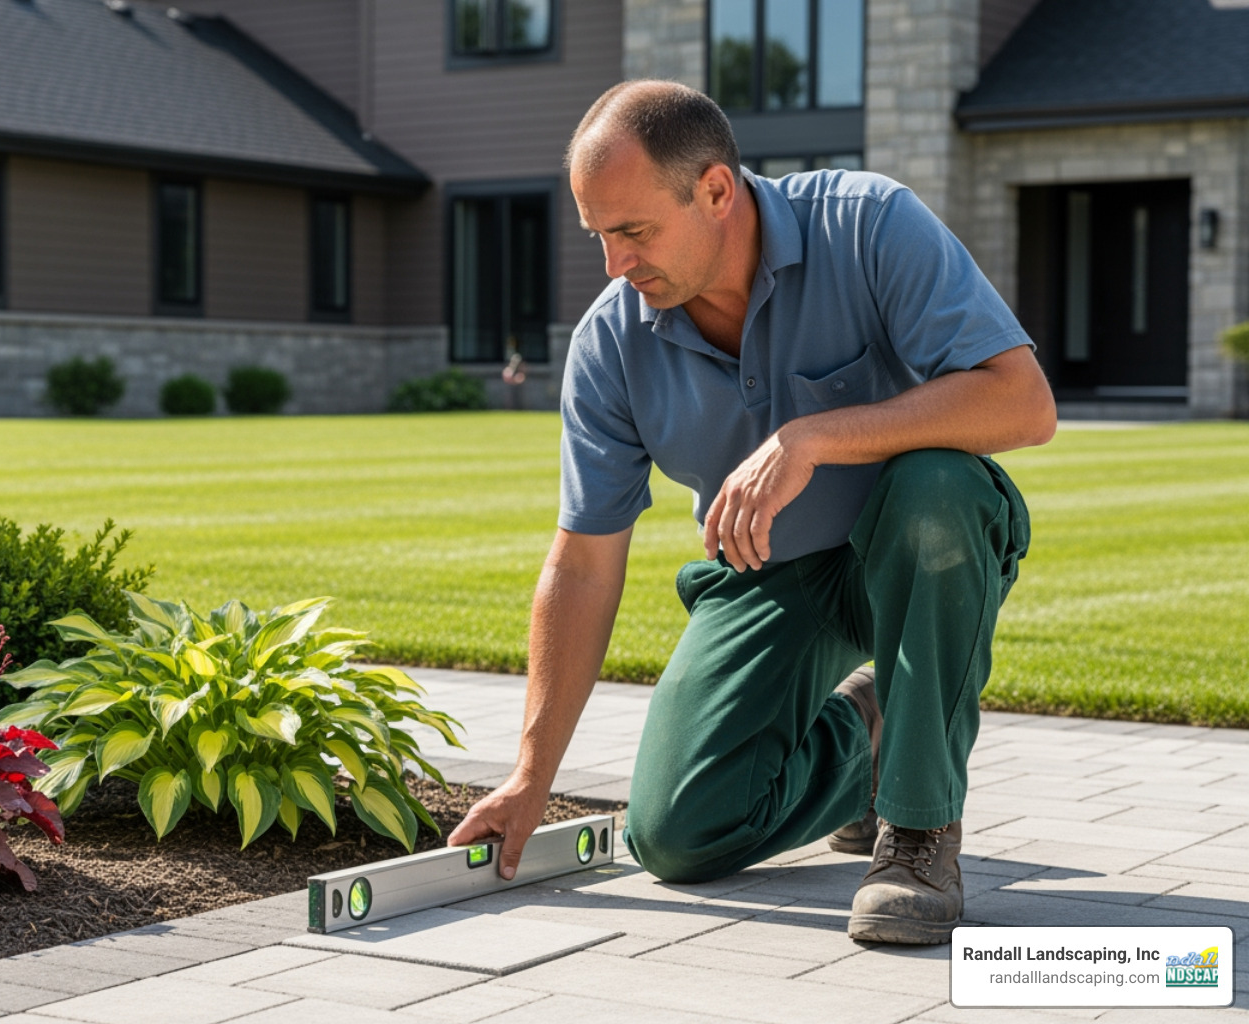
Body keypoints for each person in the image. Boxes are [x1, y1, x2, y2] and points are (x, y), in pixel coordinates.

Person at [448, 80, 1056, 945]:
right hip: (769, 573)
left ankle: (918, 833)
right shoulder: (610, 342)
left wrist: (813, 437)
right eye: (599, 238)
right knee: (676, 834)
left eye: (634, 231)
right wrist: (529, 776)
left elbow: (1023, 404)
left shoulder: (870, 225)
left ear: (717, 191)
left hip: (919, 546)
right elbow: (583, 561)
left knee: (935, 489)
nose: (615, 265)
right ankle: (869, 731)